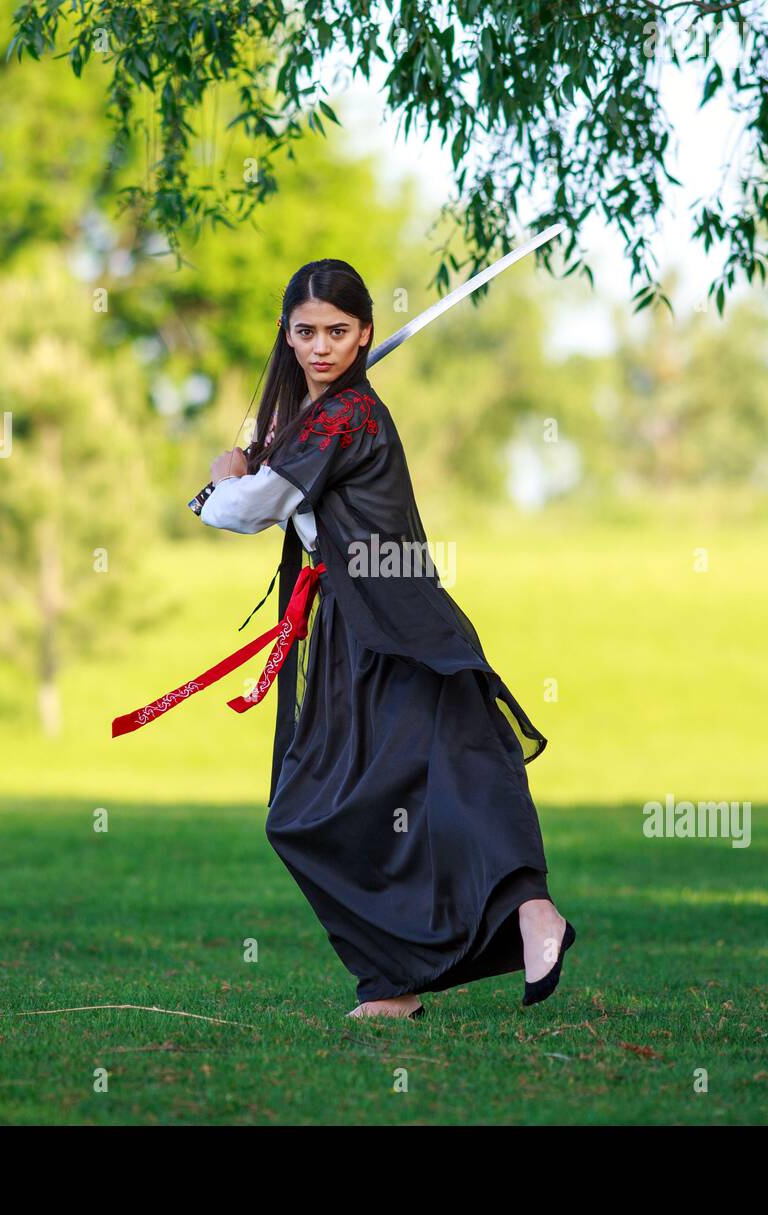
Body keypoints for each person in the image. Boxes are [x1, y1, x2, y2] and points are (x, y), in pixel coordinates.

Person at [199, 258, 577, 1019]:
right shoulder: (320, 422)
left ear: (366, 334)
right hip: (347, 627)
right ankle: (395, 979)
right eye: (305, 331)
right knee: (314, 810)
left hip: (398, 619)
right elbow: (289, 494)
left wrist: (223, 476)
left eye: (339, 332)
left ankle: (532, 916)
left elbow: (250, 509)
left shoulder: (347, 416)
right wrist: (272, 451)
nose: (322, 346)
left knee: (462, 765)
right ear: (287, 334)